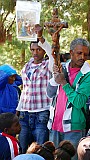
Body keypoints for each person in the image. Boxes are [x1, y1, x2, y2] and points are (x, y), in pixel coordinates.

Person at [46, 38, 90, 160]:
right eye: (79, 53)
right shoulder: (61, 67)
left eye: (86, 54)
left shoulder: (88, 75)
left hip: (74, 128)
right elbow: (49, 93)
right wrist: (55, 79)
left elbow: (79, 102)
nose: (83, 57)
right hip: (54, 124)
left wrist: (64, 83)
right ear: (71, 52)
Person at [16, 24, 54, 153]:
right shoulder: (26, 67)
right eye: (32, 50)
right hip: (24, 114)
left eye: (38, 50)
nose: (35, 53)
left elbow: (52, 53)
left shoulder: (47, 65)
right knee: (22, 147)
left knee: (40, 149)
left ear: (43, 51)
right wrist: (18, 109)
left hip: (41, 113)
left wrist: (40, 37)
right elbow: (25, 90)